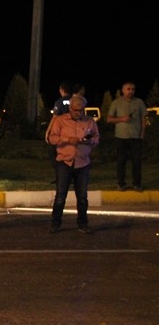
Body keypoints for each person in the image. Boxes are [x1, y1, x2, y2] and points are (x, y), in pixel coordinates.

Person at [47, 94, 99, 234]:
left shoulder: (89, 121)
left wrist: (90, 141)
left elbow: (96, 137)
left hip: (82, 162)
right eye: (75, 110)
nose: (78, 113)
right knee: (60, 196)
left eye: (81, 110)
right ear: (70, 108)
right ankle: (55, 223)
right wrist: (67, 139)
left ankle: (83, 223)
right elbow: (52, 138)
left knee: (82, 197)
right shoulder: (60, 120)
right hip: (65, 161)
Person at [106, 81, 147, 191]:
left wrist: (142, 132)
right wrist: (122, 119)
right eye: (128, 89)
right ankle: (121, 183)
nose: (131, 91)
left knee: (136, 161)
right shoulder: (116, 103)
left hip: (135, 136)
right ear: (123, 90)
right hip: (121, 137)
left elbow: (143, 119)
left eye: (133, 89)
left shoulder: (139, 102)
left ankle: (137, 184)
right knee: (121, 161)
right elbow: (109, 119)